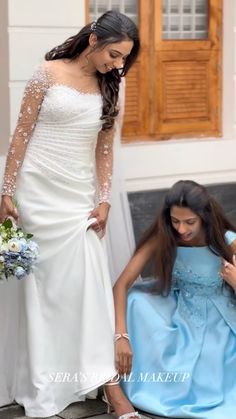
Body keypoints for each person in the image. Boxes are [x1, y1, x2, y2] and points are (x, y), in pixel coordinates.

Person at [0, 10, 140, 418]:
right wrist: (6, 191)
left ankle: (108, 389)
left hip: (78, 198)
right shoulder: (47, 72)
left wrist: (104, 198)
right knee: (42, 294)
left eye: (123, 59)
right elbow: (21, 133)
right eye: (113, 55)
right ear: (94, 39)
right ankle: (46, 384)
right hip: (37, 193)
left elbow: (104, 148)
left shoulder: (113, 84)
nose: (117, 65)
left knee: (87, 288)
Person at [111, 180, 236, 419]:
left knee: (211, 364)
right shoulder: (164, 235)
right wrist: (121, 336)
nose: (181, 229)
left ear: (204, 216)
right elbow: (121, 284)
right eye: (175, 220)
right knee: (135, 301)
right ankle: (123, 390)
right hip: (178, 307)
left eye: (190, 222)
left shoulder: (227, 239)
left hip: (220, 315)